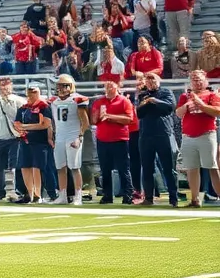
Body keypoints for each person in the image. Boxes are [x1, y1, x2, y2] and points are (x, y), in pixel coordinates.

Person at [176, 71, 220, 208]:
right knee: (191, 168)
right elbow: (178, 113)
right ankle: (194, 199)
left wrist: (201, 104)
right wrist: (187, 104)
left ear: (206, 81)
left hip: (207, 135)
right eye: (194, 80)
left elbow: (217, 111)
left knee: (212, 167)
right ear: (190, 82)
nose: (197, 82)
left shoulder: (212, 95)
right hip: (188, 136)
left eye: (200, 80)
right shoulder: (185, 96)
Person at [135, 72, 179, 207]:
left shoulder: (166, 92)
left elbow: (169, 108)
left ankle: (173, 198)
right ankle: (148, 197)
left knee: (168, 168)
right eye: (147, 80)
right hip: (146, 135)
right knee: (147, 168)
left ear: (159, 80)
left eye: (152, 79)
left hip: (163, 134)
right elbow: (139, 113)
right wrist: (147, 102)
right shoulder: (142, 95)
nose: (150, 82)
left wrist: (153, 101)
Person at [48, 75, 90, 205]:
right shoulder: (54, 101)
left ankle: (78, 196)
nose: (61, 88)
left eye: (64, 85)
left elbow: (85, 122)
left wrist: (80, 136)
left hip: (73, 136)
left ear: (70, 86)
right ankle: (62, 195)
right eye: (59, 85)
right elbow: (53, 121)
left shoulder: (77, 99)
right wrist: (52, 135)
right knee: (60, 167)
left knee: (74, 167)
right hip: (60, 136)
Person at [92, 80, 135, 205]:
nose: (109, 88)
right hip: (102, 139)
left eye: (111, 86)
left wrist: (111, 117)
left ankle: (128, 195)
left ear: (117, 87)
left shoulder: (124, 101)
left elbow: (129, 119)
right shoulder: (99, 102)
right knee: (105, 170)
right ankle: (107, 195)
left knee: (123, 169)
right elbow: (94, 121)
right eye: (107, 86)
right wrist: (97, 115)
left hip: (119, 139)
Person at [13, 84, 52, 204]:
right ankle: (29, 193)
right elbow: (16, 123)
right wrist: (21, 129)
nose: (31, 94)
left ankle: (38, 194)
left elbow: (45, 124)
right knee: (25, 166)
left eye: (34, 92)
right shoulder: (23, 108)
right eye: (30, 92)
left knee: (37, 168)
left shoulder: (44, 107)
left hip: (39, 141)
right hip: (25, 140)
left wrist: (25, 126)